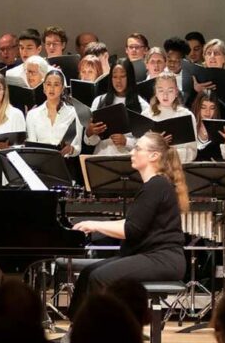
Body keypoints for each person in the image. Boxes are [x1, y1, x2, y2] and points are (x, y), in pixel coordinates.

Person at [69, 131, 190, 314]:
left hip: (163, 259)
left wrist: (94, 225)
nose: (132, 152)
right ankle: (77, 329)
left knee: (99, 277)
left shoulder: (157, 185)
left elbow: (131, 230)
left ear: (154, 156)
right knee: (88, 273)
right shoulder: (153, 185)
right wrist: (93, 224)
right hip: (151, 255)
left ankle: (94, 333)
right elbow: (133, 222)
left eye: (137, 148)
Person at [84, 59, 145, 156]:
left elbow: (147, 141)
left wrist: (127, 141)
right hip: (102, 157)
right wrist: (90, 132)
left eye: (123, 76)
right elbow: (91, 142)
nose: (118, 81)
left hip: (128, 159)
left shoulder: (141, 104)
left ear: (130, 77)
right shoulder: (100, 101)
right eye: (115, 76)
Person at [26, 70, 82, 157]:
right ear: (44, 87)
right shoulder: (32, 114)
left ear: (62, 88)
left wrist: (70, 149)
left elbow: (78, 147)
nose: (51, 89)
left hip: (65, 163)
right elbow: (31, 147)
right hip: (41, 163)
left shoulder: (74, 113)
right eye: (48, 84)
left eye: (56, 84)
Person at [148, 71, 198, 163]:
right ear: (155, 92)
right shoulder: (147, 115)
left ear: (176, 92)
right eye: (161, 90)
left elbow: (192, 152)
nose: (165, 95)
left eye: (170, 91)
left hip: (178, 168)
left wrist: (168, 151)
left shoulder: (186, 115)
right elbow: (139, 149)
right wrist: (157, 146)